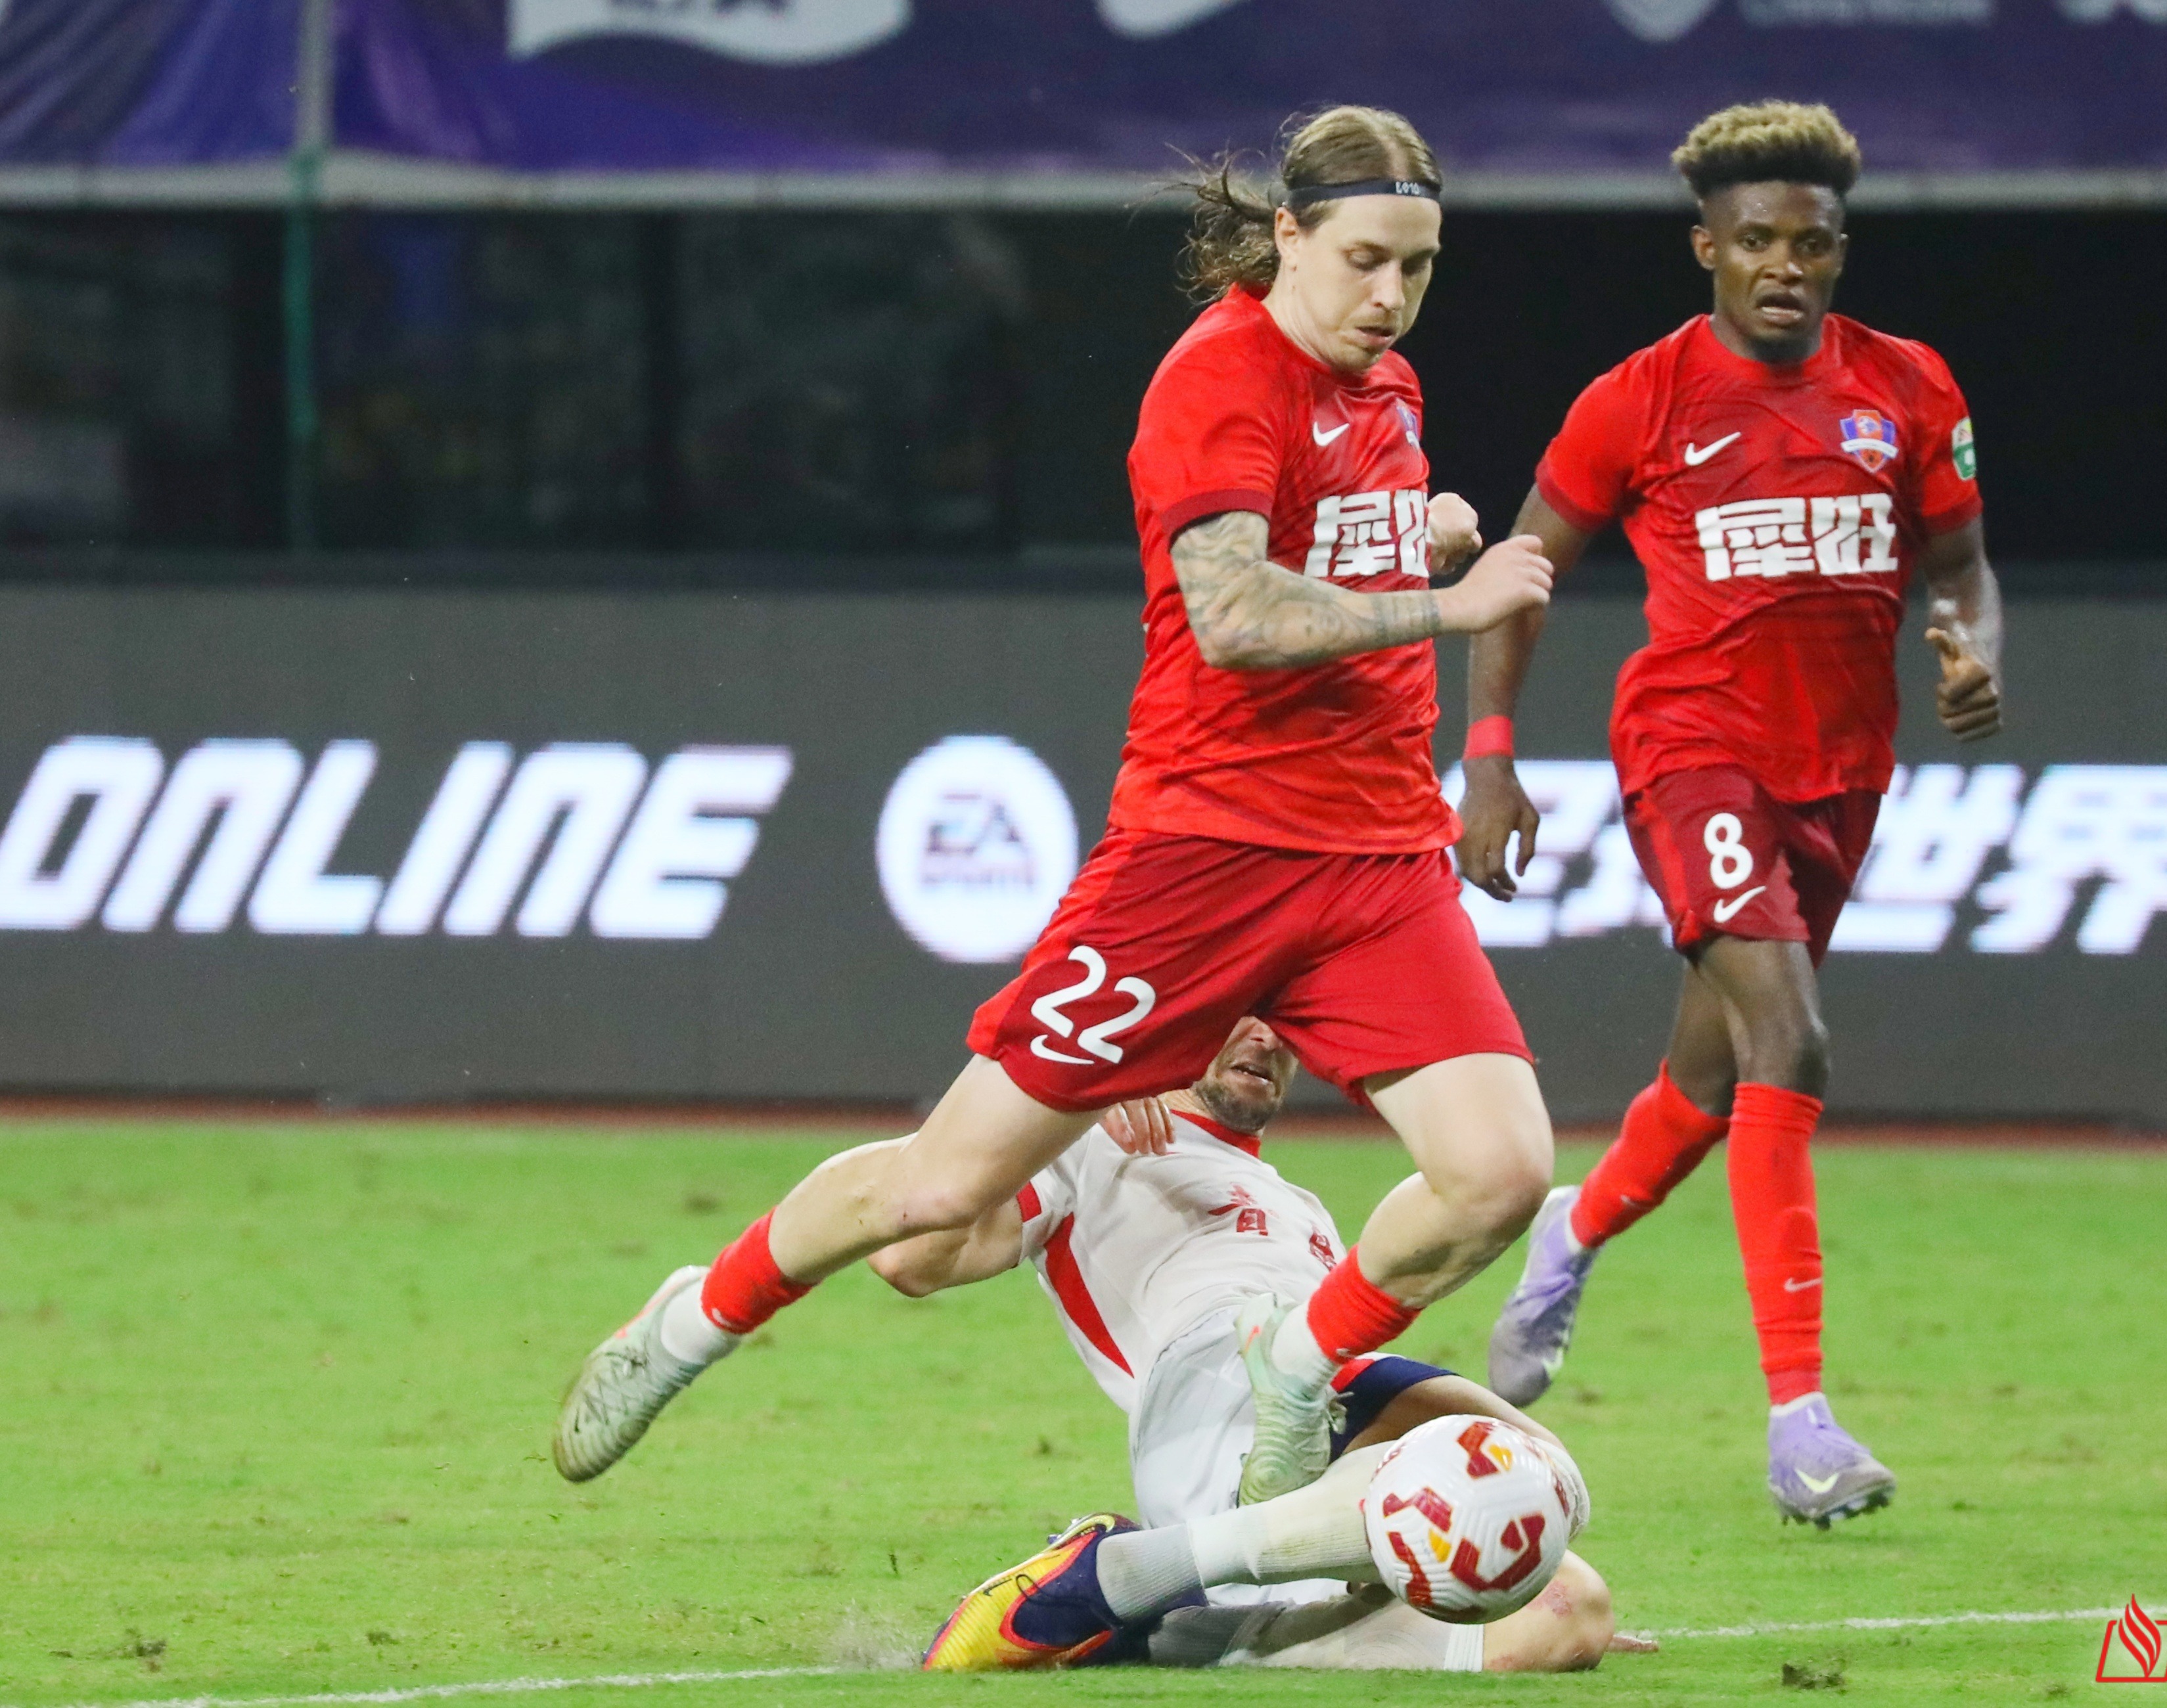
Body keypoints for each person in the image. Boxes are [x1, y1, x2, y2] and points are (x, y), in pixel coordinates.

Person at [551, 106, 1561, 1505]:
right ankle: (688, 1321)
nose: (1390, 295)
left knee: (1498, 1172)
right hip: (1201, 861)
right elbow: (1231, 614)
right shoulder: (1219, 377)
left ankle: (1295, 1366)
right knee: (935, 1197)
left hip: (1376, 864)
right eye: (1364, 260)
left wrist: (1419, 535)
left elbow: (1329, 547)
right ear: (1286, 235)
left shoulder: (1384, 386)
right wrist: (1448, 601)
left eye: (1418, 267)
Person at [1459, 102, 2005, 1527]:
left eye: (1808, 245)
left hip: (1843, 771)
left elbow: (1960, 567)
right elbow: (1520, 571)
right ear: (1705, 248)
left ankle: (1572, 1230)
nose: (1782, 266)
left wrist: (1970, 649)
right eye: (1754, 241)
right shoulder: (1637, 399)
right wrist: (1490, 755)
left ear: (1837, 252)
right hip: (1690, 752)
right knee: (1790, 1041)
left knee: (1707, 1086)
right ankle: (1799, 1425)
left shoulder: (1906, 385)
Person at [870, 1015, 1635, 1674]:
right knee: (1540, 1472)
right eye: (1241, 1010)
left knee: (1567, 1610)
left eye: (1283, 1021)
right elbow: (909, 1256)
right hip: (1218, 1393)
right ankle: (1127, 1577)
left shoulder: (1300, 1204)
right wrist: (1066, 1100)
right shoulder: (1093, 1141)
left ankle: (1157, 1619)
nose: (1267, 1037)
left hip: (1303, 1425)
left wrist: (1503, 1582)